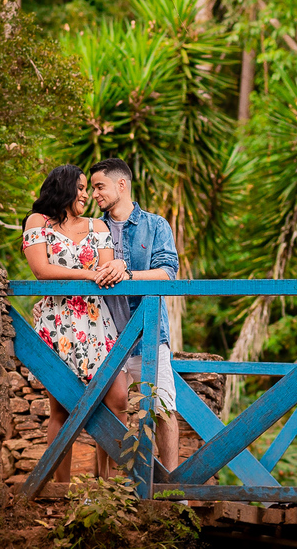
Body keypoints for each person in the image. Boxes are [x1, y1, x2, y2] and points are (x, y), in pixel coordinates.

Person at [21, 164, 130, 483]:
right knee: (62, 408)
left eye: (88, 189)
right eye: (80, 188)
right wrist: (88, 274)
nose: (86, 195)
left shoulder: (98, 226)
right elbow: (41, 270)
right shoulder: (37, 222)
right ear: (63, 188)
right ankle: (59, 487)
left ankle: (108, 486)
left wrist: (118, 266)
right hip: (59, 325)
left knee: (118, 399)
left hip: (97, 323)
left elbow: (109, 270)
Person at [90, 157, 182, 473]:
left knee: (163, 409)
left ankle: (172, 494)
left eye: (99, 186)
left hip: (147, 337)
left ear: (122, 184)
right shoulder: (93, 228)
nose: (95, 195)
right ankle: (104, 491)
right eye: (92, 189)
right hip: (105, 338)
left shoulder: (155, 225)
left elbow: (169, 273)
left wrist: (127, 272)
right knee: (101, 413)